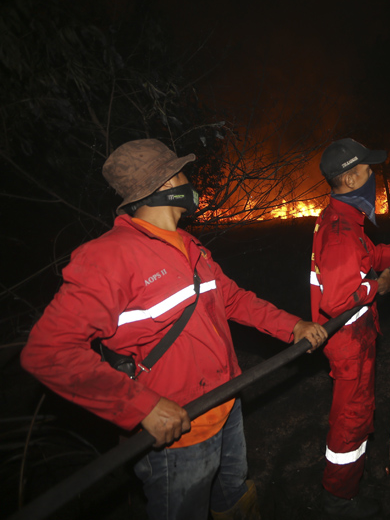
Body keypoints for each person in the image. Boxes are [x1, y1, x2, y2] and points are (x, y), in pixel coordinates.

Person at [21, 139, 328, 520]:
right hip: (178, 435)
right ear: (168, 184)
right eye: (183, 172)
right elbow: (48, 351)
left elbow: (233, 300)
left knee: (234, 499)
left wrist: (293, 325)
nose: (191, 182)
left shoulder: (189, 245)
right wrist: (140, 407)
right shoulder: (109, 257)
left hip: (227, 404)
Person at [310, 138, 390, 518]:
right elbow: (337, 299)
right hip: (348, 341)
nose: (374, 178)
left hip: (356, 337)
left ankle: (344, 489)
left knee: (355, 415)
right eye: (368, 171)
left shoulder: (345, 219)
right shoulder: (339, 232)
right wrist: (376, 286)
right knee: (352, 421)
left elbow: (369, 255)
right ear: (350, 179)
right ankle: (338, 500)